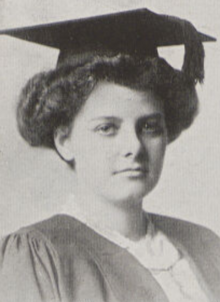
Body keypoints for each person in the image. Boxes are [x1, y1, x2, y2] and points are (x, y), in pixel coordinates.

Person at [0, 7, 219, 302]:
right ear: (64, 140)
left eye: (150, 126)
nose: (134, 146)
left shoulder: (205, 245)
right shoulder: (40, 254)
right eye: (107, 128)